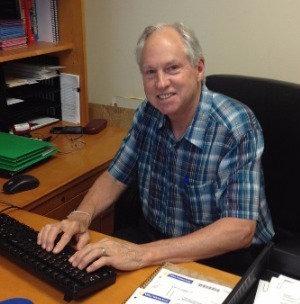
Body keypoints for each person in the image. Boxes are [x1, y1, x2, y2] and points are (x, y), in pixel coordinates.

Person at [37, 22, 274, 275]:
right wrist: (80, 216)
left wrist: (143, 254)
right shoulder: (148, 113)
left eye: (172, 68)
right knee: (79, 270)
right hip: (153, 238)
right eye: (150, 72)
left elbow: (239, 230)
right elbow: (115, 176)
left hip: (221, 255)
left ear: (198, 68)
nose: (161, 83)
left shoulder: (235, 126)